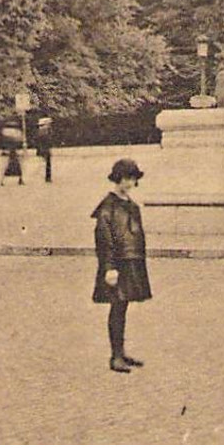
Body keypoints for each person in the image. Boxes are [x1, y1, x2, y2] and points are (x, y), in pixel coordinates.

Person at [92, 158, 151, 373]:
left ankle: (121, 352)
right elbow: (104, 239)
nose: (130, 182)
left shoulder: (131, 205)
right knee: (117, 307)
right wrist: (109, 267)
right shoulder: (108, 207)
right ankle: (115, 356)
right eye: (127, 178)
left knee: (123, 307)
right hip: (117, 264)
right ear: (117, 179)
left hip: (131, 262)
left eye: (133, 178)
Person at [36, 118, 53, 183]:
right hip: (45, 149)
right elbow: (47, 140)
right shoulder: (44, 131)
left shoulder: (41, 131)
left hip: (44, 148)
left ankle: (47, 177)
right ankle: (47, 177)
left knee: (47, 163)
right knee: (47, 163)